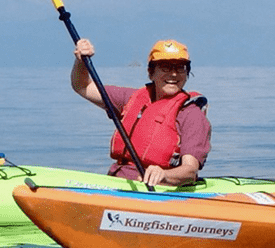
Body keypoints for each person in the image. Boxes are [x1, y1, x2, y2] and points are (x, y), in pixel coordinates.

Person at [71, 38, 212, 187]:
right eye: (165, 67)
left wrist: (164, 174)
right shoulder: (130, 98)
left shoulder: (191, 114)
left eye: (180, 68)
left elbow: (189, 171)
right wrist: (81, 61)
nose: (174, 74)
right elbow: (82, 86)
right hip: (118, 181)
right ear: (151, 73)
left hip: (157, 190)